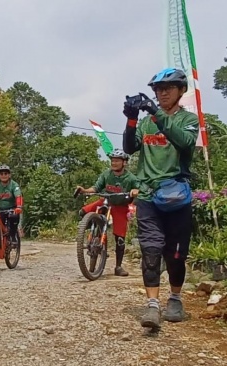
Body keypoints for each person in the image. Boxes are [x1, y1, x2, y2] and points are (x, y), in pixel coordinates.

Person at [123, 67, 199, 329]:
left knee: (176, 255)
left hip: (177, 197)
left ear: (181, 91)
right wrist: (132, 119)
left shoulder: (188, 120)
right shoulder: (146, 123)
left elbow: (186, 142)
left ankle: (175, 298)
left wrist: (155, 113)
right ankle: (153, 306)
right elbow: (129, 148)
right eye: (158, 89)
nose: (162, 93)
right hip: (147, 195)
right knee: (151, 251)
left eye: (168, 88)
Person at [75, 148, 140, 277]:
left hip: (120, 206)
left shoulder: (131, 177)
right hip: (105, 201)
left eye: (117, 161)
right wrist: (84, 190)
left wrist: (135, 190)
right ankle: (92, 232)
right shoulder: (106, 174)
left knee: (120, 238)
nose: (114, 163)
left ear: (124, 163)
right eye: (112, 160)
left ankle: (118, 267)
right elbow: (96, 187)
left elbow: (137, 187)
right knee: (83, 212)